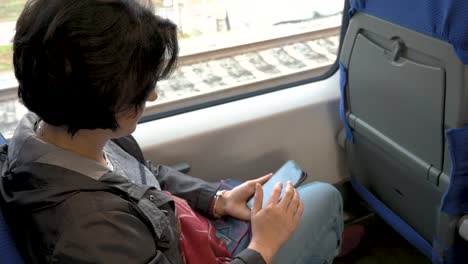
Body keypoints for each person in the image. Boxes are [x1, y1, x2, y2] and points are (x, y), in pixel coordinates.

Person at [1, 0, 344, 263]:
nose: (151, 95)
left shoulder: (56, 132)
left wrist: (217, 199)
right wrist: (263, 247)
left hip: (176, 226)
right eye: (141, 87)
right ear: (100, 100)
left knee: (294, 205)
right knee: (326, 199)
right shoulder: (91, 232)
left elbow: (144, 175)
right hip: (186, 246)